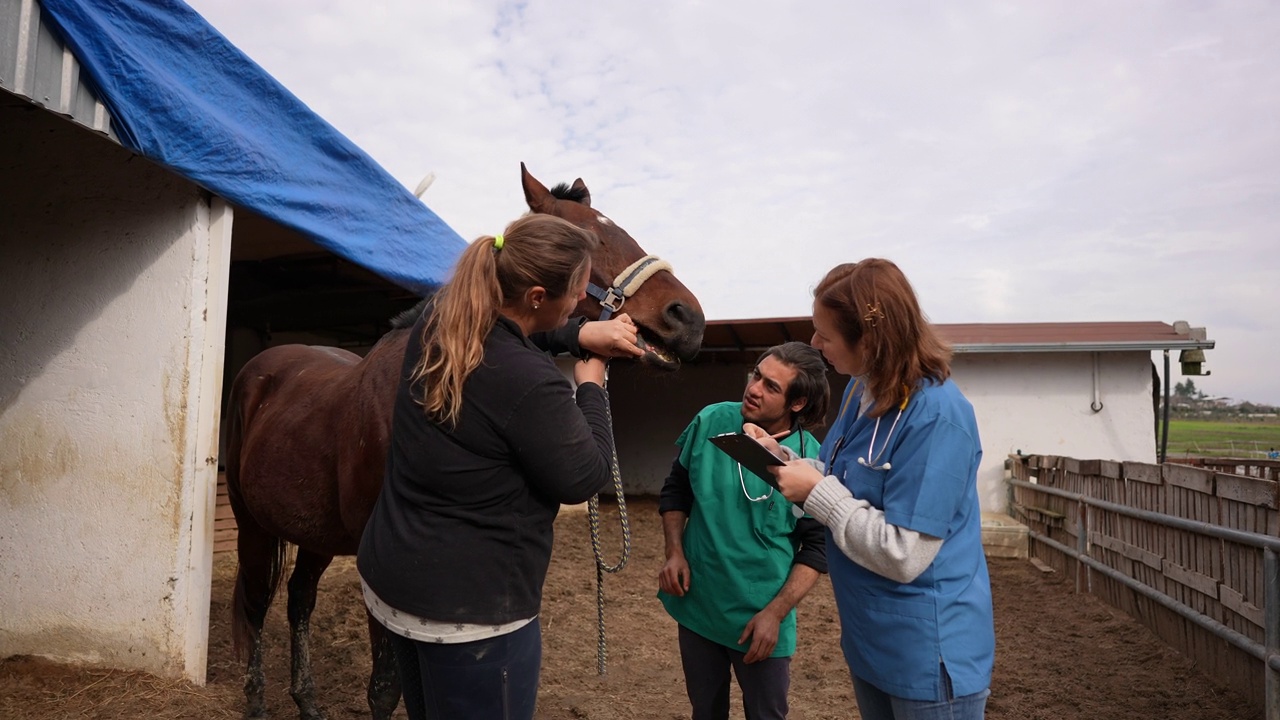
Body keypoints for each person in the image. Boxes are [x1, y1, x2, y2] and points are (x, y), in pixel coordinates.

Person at [357, 213, 643, 720]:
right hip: (472, 617)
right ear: (537, 296)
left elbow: (510, 334)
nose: (582, 299)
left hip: (394, 582)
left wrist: (577, 335)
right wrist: (591, 382)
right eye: (577, 291)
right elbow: (585, 475)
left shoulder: (438, 320)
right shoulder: (533, 384)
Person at [753, 259, 994, 720]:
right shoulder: (862, 391)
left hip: (928, 654)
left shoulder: (937, 416)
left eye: (825, 334)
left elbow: (905, 553)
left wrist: (817, 492)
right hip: (873, 640)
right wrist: (789, 463)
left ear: (871, 341)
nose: (814, 343)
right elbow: (843, 473)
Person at [657, 341, 831, 720]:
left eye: (772, 387)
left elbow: (817, 549)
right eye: (757, 376)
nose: (754, 388)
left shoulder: (810, 462)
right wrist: (675, 551)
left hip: (761, 619)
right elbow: (677, 489)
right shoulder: (711, 420)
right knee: (705, 710)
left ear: (797, 403)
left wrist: (776, 613)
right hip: (699, 605)